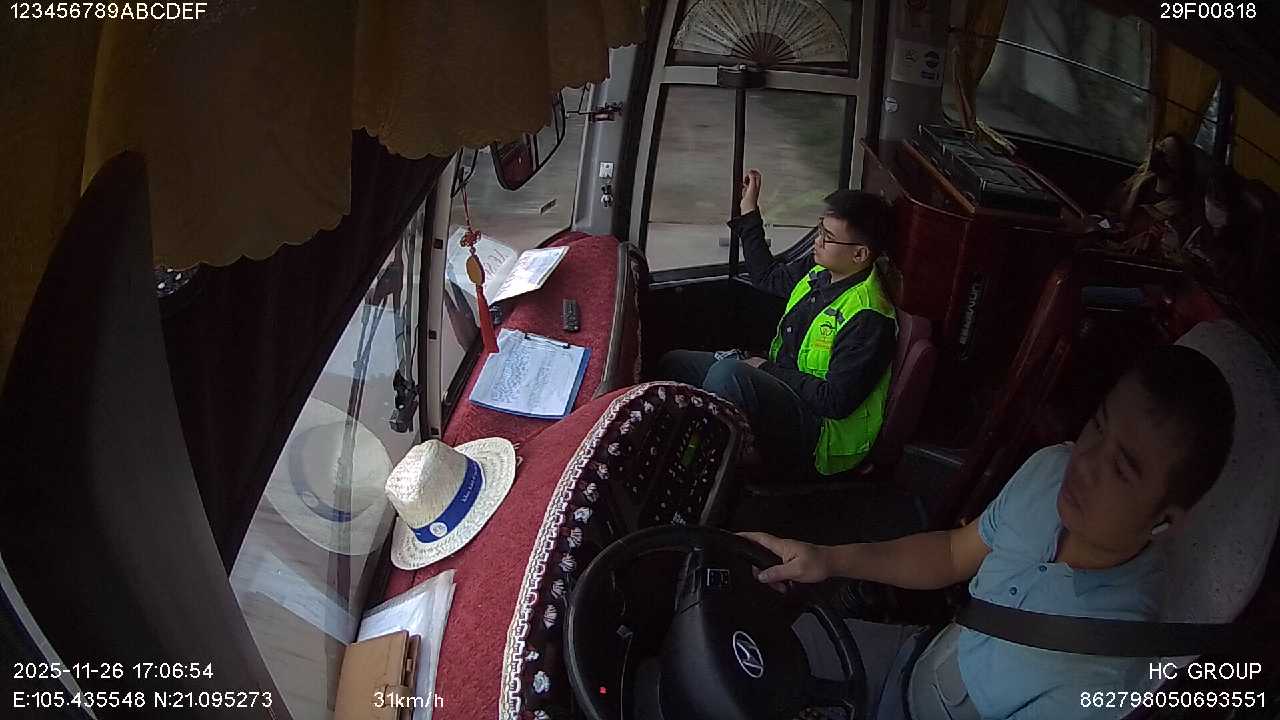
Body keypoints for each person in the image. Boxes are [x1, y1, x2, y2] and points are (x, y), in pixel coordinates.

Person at [743, 345, 1236, 719]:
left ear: (1165, 519)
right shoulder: (1050, 471)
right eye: (1098, 427)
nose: (1084, 464)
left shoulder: (1110, 667)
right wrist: (828, 559)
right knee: (760, 652)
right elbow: (952, 553)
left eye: (1122, 469)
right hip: (917, 653)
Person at [658, 169, 898, 477]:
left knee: (727, 376)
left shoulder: (868, 317)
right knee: (675, 365)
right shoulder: (820, 271)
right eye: (819, 229)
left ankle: (699, 473)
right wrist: (749, 211)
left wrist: (764, 369)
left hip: (822, 433)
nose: (817, 241)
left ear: (860, 254)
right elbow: (767, 276)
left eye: (827, 237)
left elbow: (835, 402)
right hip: (787, 384)